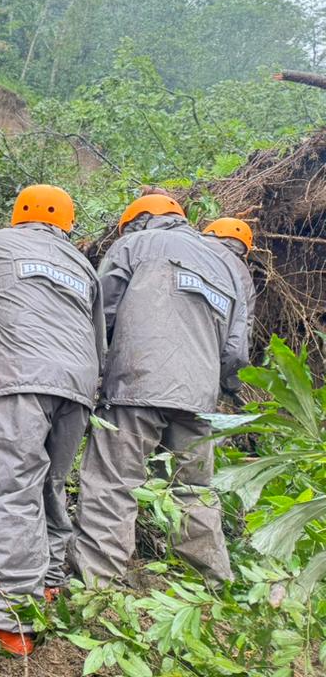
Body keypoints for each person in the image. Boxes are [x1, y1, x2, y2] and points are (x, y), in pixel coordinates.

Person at [0, 185, 104, 657]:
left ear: (19, 215)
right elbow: (98, 339)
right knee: (50, 484)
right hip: (79, 384)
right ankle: (48, 584)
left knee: (9, 488)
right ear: (68, 224)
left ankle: (9, 619)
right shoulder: (83, 266)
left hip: (19, 375)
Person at [72, 195, 247, 584]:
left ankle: (97, 583)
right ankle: (212, 584)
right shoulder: (227, 265)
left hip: (136, 384)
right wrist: (217, 385)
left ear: (139, 221)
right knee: (193, 489)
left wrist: (93, 373)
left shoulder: (135, 244)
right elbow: (235, 351)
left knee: (114, 482)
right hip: (199, 400)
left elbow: (101, 314)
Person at [202, 217, 257, 369]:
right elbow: (238, 343)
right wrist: (229, 384)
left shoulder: (184, 246)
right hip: (206, 363)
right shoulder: (243, 277)